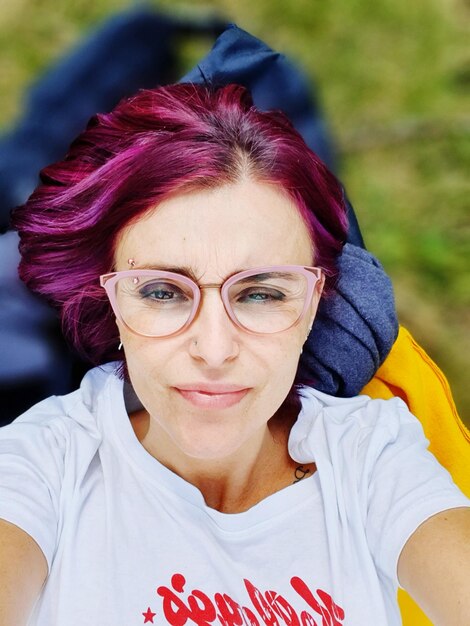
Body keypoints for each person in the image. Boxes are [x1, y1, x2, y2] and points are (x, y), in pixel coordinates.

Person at [1, 83, 469, 626]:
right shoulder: (44, 465)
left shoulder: (371, 457)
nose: (215, 350)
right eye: (161, 292)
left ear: (314, 304)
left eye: (262, 294)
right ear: (111, 300)